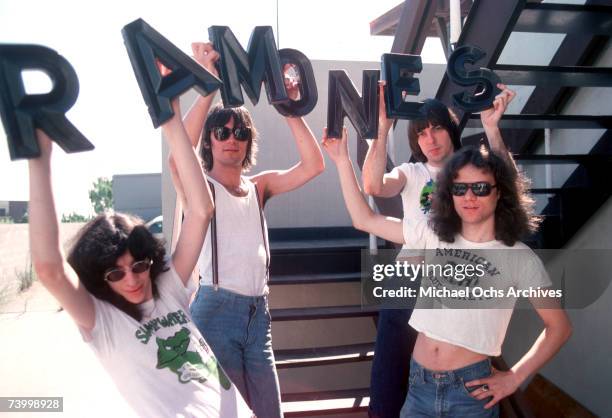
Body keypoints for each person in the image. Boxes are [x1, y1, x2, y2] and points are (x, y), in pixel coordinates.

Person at [27, 89, 254, 417]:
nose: (132, 279)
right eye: (116, 273)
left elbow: (203, 209)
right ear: (99, 278)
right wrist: (40, 158)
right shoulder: (103, 321)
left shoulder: (168, 289)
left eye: (139, 265)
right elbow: (50, 269)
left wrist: (172, 118)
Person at [322, 128, 572, 418]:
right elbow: (364, 219)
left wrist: (514, 377)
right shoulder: (433, 234)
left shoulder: (519, 258)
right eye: (459, 187)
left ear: (499, 191)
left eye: (480, 187)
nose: (469, 196)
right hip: (419, 386)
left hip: (470, 394)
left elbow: (559, 327)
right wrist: (342, 160)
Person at [177, 43, 325, 418]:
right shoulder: (201, 186)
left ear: (248, 143)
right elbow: (178, 157)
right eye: (222, 131)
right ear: (210, 140)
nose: (231, 138)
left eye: (240, 133)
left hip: (259, 316)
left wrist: (287, 106)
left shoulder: (259, 186)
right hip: (215, 312)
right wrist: (209, 87)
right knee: (225, 413)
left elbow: (313, 165)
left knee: (268, 411)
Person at [362, 81, 516, 418]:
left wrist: (491, 128)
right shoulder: (412, 171)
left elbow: (509, 189)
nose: (430, 139)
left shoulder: (473, 171)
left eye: (436, 129)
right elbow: (373, 186)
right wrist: (383, 128)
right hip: (408, 279)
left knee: (445, 377)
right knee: (389, 379)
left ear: (450, 129)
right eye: (421, 133)